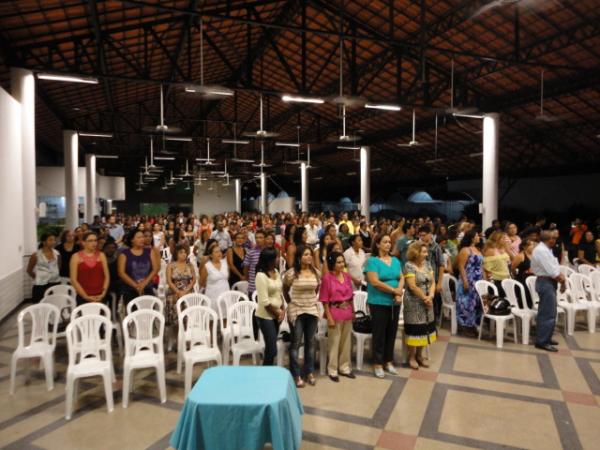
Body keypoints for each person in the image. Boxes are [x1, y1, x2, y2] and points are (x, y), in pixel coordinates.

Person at [365, 234, 404, 378]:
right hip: (378, 301)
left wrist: (399, 292)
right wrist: (394, 290)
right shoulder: (373, 261)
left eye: (389, 242)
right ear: (377, 244)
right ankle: (377, 363)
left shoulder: (395, 260)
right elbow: (374, 282)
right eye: (385, 242)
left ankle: (388, 361)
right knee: (379, 333)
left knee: (391, 332)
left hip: (394, 302)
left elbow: (401, 277)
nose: (388, 244)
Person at [283, 245, 320, 387]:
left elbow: (317, 289)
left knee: (311, 343)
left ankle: (309, 371)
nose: (309, 257)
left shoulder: (315, 272)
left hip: (312, 309)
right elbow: (285, 289)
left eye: (310, 254)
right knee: (296, 342)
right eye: (305, 255)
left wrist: (309, 300)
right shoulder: (292, 273)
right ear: (299, 257)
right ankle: (296, 374)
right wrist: (290, 303)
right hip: (296, 310)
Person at [319, 251, 355, 382]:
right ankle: (332, 369)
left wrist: (354, 312)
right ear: (332, 264)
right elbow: (324, 300)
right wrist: (329, 317)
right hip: (334, 312)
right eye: (338, 262)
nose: (341, 264)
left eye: (342, 262)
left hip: (347, 312)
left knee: (346, 343)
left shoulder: (346, 276)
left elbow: (351, 296)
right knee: (334, 343)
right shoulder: (327, 278)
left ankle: (344, 367)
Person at [403, 241, 437, 369]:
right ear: (416, 252)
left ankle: (420, 355)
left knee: (425, 328)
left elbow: (433, 282)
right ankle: (411, 356)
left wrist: (431, 296)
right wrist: (424, 298)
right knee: (415, 329)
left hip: (428, 300)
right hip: (414, 302)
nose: (426, 254)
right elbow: (412, 286)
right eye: (424, 252)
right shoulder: (409, 266)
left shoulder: (427, 265)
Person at [531, 231, 566, 352]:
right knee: (547, 312)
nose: (555, 241)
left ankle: (546, 337)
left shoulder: (547, 249)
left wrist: (561, 279)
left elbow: (555, 266)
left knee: (549, 311)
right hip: (545, 282)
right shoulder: (541, 251)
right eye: (554, 239)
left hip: (549, 282)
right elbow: (552, 271)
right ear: (549, 239)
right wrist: (562, 282)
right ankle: (542, 341)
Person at [255, 247, 284, 366]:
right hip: (266, 316)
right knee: (272, 349)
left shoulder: (276, 272)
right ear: (269, 260)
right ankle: (265, 372)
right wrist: (278, 313)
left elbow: (279, 292)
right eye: (276, 257)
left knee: (270, 349)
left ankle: (268, 372)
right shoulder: (261, 276)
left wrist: (283, 309)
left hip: (277, 314)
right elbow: (264, 302)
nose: (278, 259)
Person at [118, 229, 159, 303]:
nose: (142, 239)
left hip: (147, 286)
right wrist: (136, 286)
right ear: (132, 240)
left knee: (149, 310)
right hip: (129, 288)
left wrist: (144, 283)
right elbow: (121, 273)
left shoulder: (149, 251)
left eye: (143, 237)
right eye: (139, 237)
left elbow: (155, 269)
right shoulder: (124, 254)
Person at [454, 230, 483, 336]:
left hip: (477, 280)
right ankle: (464, 326)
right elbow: (461, 266)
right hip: (468, 278)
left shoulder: (478, 250)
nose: (478, 237)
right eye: (476, 235)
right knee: (466, 303)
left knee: (476, 303)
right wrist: (465, 281)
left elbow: (481, 266)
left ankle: (473, 324)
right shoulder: (465, 250)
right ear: (471, 238)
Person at [69, 231, 110, 306]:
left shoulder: (101, 255)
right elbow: (73, 280)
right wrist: (85, 296)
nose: (94, 243)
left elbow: (106, 276)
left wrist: (103, 293)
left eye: (95, 240)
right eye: (90, 241)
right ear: (83, 243)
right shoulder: (75, 257)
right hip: (83, 295)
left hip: (100, 295)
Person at [418, 225, 444, 321]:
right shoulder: (418, 246)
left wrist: (439, 283)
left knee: (433, 302)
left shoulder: (436, 247)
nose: (422, 237)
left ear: (430, 235)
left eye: (424, 235)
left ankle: (433, 322)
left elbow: (441, 265)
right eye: (420, 235)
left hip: (433, 279)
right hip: (421, 278)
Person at [166, 244, 196, 325]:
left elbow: (193, 280)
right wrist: (178, 292)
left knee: (188, 316)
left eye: (185, 252)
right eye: (181, 252)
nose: (184, 254)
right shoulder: (170, 266)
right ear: (176, 254)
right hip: (174, 291)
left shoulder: (190, 265)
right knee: (176, 317)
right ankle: (176, 333)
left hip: (188, 290)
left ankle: (187, 332)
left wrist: (185, 291)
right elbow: (169, 281)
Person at [27, 233, 61, 302]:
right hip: (40, 285)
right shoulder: (36, 255)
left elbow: (59, 266)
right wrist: (38, 277)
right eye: (50, 240)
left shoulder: (57, 253)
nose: (53, 242)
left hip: (55, 282)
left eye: (54, 240)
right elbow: (29, 270)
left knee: (54, 303)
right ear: (44, 242)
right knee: (40, 305)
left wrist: (54, 274)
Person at [199, 242, 229, 312]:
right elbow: (201, 283)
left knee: (225, 317)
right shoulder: (207, 266)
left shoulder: (225, 263)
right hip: (212, 296)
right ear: (211, 255)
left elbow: (227, 277)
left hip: (225, 293)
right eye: (216, 252)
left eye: (220, 251)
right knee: (211, 319)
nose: (219, 253)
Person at [483, 230, 511, 297]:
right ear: (497, 239)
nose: (506, 240)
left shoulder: (503, 248)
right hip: (495, 280)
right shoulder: (490, 251)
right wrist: (490, 281)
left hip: (506, 278)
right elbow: (486, 268)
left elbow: (509, 262)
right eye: (503, 238)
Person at [243, 229, 266, 296]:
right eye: (256, 237)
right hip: (253, 286)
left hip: (266, 286)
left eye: (260, 237)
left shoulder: (269, 252)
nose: (258, 239)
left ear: (265, 239)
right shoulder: (251, 252)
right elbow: (246, 268)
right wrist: (249, 280)